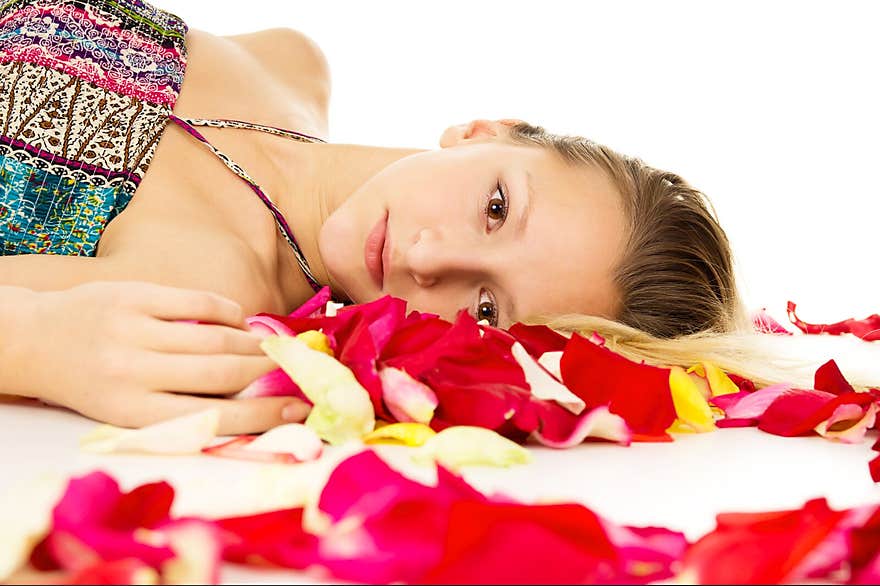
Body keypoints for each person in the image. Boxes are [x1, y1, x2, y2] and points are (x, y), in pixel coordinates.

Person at [0, 0, 750, 434]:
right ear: (488, 129)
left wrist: (32, 343)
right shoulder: (292, 61)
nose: (428, 259)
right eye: (495, 208)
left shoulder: (201, 296)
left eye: (486, 309)